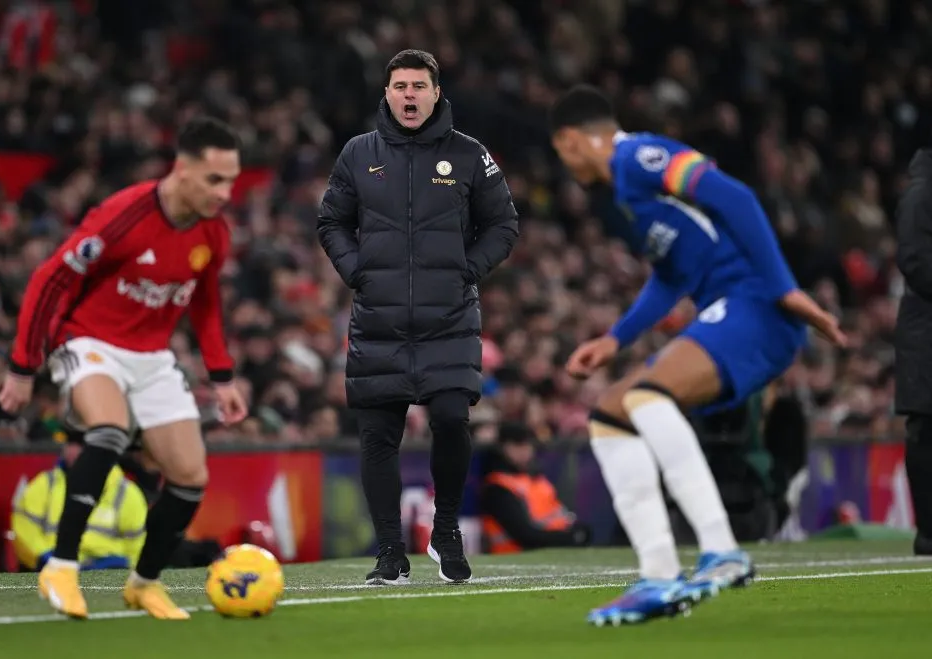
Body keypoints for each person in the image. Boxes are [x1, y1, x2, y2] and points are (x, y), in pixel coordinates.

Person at [547, 85, 846, 625]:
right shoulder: (623, 196)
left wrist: (784, 288)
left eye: (561, 153)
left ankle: (721, 550)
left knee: (644, 396)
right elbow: (675, 273)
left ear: (571, 142)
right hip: (731, 309)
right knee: (610, 414)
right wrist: (617, 338)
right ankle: (659, 576)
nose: (565, 167)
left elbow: (736, 198)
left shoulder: (636, 156)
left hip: (756, 305)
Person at [0, 116, 248, 620]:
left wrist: (222, 377)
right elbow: (50, 280)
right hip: (89, 342)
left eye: (232, 180)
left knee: (190, 475)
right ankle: (62, 567)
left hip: (152, 356)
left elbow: (206, 303)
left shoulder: (213, 233)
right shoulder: (124, 216)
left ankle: (143, 584)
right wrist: (22, 367)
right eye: (214, 180)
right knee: (108, 430)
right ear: (182, 171)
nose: (225, 193)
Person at [318, 49, 519, 585]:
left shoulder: (470, 155)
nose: (409, 94)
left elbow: (503, 224)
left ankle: (446, 528)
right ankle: (390, 552)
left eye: (418, 86)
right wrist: (357, 271)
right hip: (379, 318)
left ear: (436, 93)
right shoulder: (359, 154)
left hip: (448, 319)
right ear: (386, 94)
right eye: (399, 86)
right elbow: (331, 221)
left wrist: (466, 271)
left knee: (452, 417)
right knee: (377, 435)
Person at [11, 437, 148, 572]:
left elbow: (139, 546)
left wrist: (122, 565)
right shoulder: (45, 485)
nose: (73, 451)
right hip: (53, 569)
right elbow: (24, 532)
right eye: (70, 443)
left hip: (108, 576)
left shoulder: (127, 493)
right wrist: (44, 557)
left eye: (81, 445)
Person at [894, 147, 932, 556]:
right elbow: (915, 260)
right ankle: (929, 531)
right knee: (926, 429)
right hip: (926, 333)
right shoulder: (923, 193)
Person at [480, 422, 593, 553]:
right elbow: (525, 535)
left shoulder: (536, 478)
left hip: (551, 548)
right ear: (503, 448)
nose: (525, 451)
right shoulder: (498, 486)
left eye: (528, 444)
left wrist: (577, 532)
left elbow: (558, 515)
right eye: (518, 445)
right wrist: (570, 537)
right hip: (517, 555)